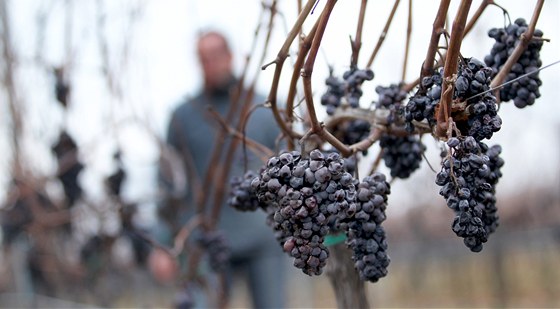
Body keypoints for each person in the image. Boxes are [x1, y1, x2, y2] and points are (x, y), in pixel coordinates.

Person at [149, 30, 287, 308]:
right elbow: (167, 183)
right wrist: (162, 244)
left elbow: (290, 171)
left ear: (230, 56)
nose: (210, 64)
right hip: (208, 239)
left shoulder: (265, 107)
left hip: (263, 238)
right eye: (203, 58)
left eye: (215, 55)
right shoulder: (183, 117)